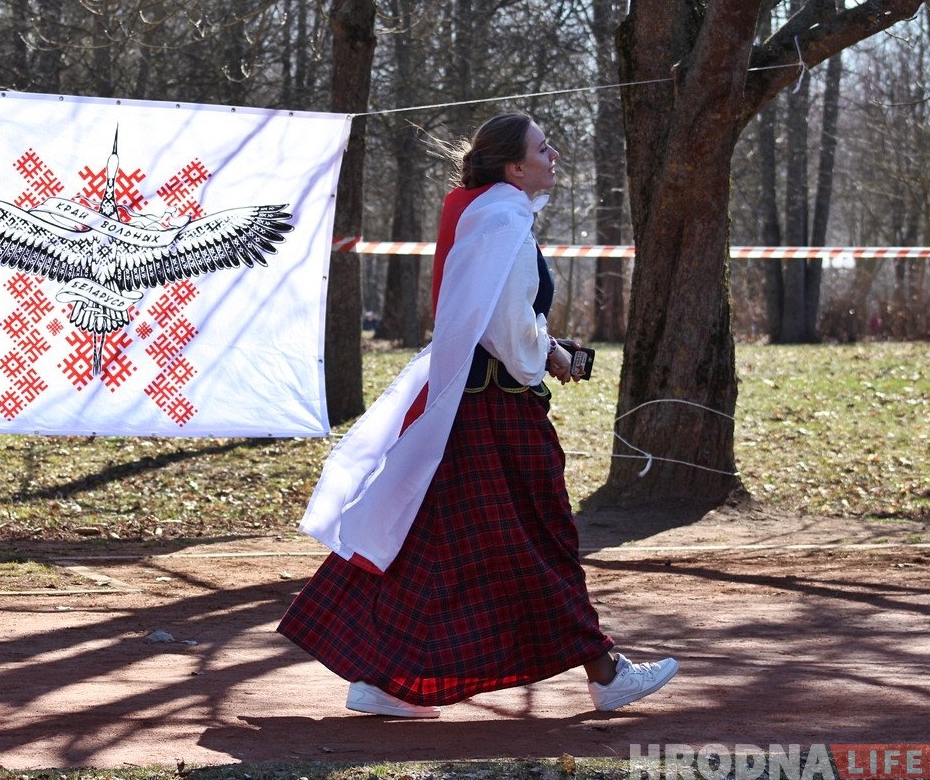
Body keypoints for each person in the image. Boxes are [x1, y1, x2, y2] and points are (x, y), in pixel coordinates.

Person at [278, 112, 678, 718]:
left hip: (471, 406)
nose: (555, 155)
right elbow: (502, 326)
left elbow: (495, 312)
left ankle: (382, 681)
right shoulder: (502, 215)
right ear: (515, 167)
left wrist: (545, 348)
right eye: (543, 148)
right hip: (495, 412)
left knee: (431, 539)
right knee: (538, 540)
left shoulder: (489, 210)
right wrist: (547, 357)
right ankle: (605, 671)